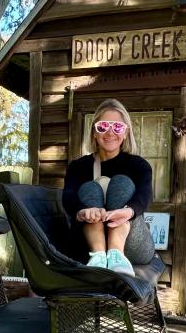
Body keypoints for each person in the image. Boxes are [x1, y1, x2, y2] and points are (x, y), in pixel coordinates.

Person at [62, 99, 155, 275]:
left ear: (126, 132)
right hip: (86, 245)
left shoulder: (139, 165)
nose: (110, 132)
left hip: (131, 243)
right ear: (94, 132)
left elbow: (145, 195)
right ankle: (98, 255)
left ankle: (116, 253)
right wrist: (82, 211)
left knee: (122, 182)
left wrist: (128, 212)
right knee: (90, 188)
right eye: (103, 126)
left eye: (118, 127)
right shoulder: (78, 166)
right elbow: (68, 196)